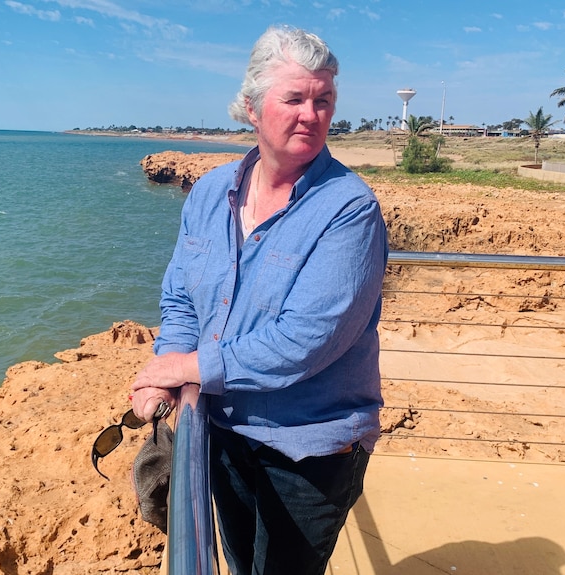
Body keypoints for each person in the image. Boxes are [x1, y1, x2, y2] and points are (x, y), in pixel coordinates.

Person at [131, 25, 388, 575]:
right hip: (224, 431)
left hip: (310, 451)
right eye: (294, 98)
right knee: (241, 561)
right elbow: (181, 294)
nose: (311, 114)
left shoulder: (349, 209)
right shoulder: (208, 192)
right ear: (251, 107)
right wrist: (166, 364)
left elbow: (307, 339)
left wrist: (192, 364)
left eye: (324, 101)